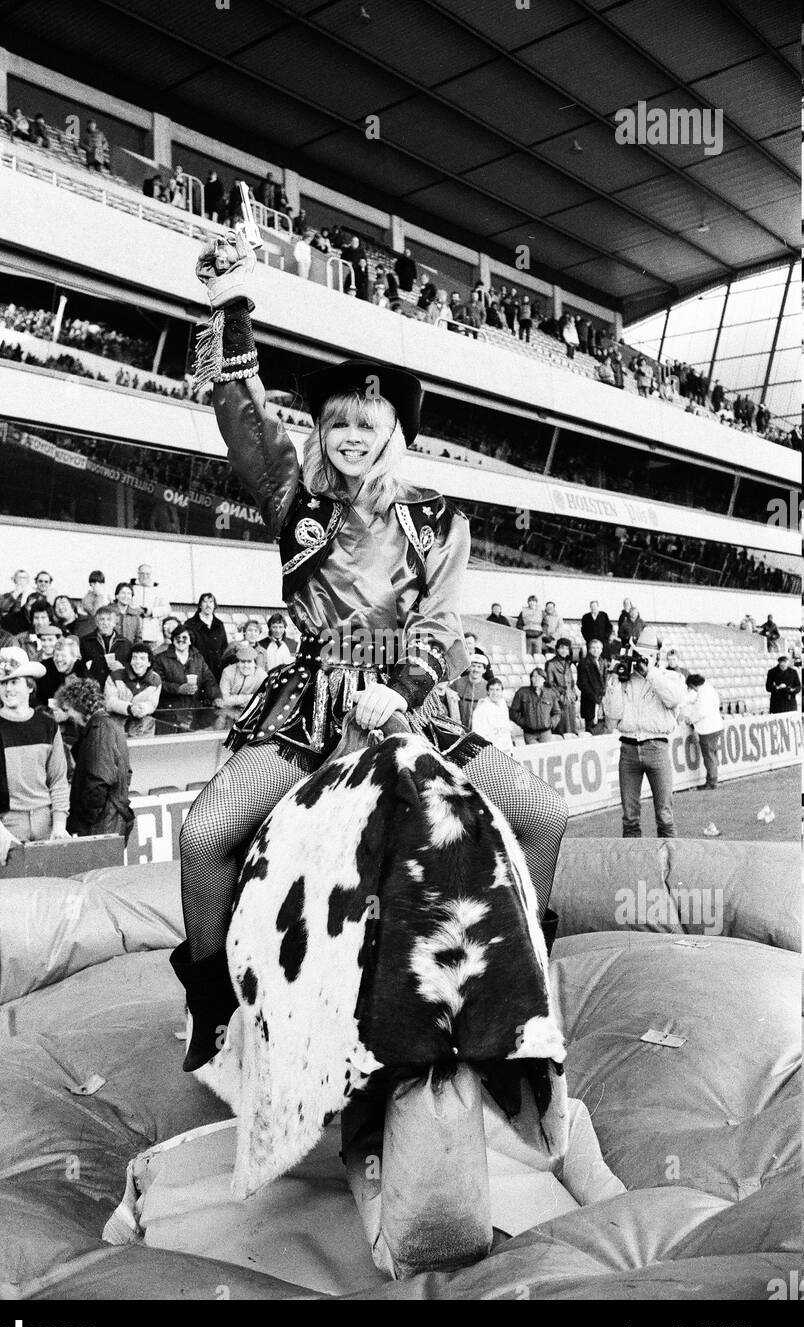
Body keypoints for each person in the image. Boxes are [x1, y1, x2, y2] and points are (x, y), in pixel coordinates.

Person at [173, 229, 568, 1071]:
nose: (350, 436)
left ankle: (525, 980)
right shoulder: (294, 495)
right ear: (321, 429)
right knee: (203, 833)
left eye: (368, 424)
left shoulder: (438, 520)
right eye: (337, 423)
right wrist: (227, 308)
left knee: (545, 814)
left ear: (394, 432)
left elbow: (443, 627)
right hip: (311, 703)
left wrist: (402, 691)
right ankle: (210, 1011)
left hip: (411, 704)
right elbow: (243, 419)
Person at [0, 647, 70, 871]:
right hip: (5, 822)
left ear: (29, 686)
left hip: (45, 820)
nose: (8, 688)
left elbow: (58, 780)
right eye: (3, 683)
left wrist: (59, 824)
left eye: (14, 682)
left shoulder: (48, 725)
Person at [603, 644, 686, 838]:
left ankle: (669, 865)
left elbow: (675, 699)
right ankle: (633, 865)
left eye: (645, 656)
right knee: (630, 818)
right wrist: (614, 681)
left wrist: (651, 673)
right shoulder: (625, 680)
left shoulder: (670, 677)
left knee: (664, 815)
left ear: (656, 656)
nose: (640, 660)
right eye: (637, 655)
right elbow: (613, 717)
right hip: (628, 747)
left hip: (657, 747)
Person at [55, 677, 133, 841]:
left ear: (79, 705)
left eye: (69, 710)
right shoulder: (110, 725)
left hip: (101, 824)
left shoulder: (99, 729)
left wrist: (83, 821)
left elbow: (99, 781)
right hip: (110, 818)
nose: (69, 716)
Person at [153, 627, 223, 710]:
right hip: (170, 709)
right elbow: (156, 683)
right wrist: (178, 689)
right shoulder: (160, 659)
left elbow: (209, 681)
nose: (181, 640)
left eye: (184, 637)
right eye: (177, 637)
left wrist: (216, 697)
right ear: (173, 640)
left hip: (194, 708)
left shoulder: (198, 658)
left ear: (190, 641)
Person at [104, 642, 162, 734]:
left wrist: (144, 708)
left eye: (142, 658)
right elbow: (110, 702)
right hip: (116, 727)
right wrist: (129, 708)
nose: (138, 662)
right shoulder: (115, 676)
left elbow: (152, 703)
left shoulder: (156, 680)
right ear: (130, 661)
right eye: (134, 658)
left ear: (149, 663)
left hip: (143, 728)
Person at [681, 674, 723, 791]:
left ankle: (711, 782)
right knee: (712, 754)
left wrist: (690, 719)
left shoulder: (703, 693)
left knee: (708, 756)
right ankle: (712, 779)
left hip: (708, 729)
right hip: (715, 726)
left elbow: (701, 711)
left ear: (694, 685)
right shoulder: (709, 689)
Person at [81, 605, 132, 684]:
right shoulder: (85, 642)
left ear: (115, 623)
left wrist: (123, 667)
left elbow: (132, 668)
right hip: (93, 688)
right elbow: (80, 667)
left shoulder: (125, 643)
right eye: (102, 619)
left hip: (116, 688)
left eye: (109, 619)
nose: (105, 623)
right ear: (97, 622)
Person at [183, 593, 228, 681]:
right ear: (200, 605)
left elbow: (224, 647)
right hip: (197, 670)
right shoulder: (190, 624)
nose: (208, 605)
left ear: (214, 605)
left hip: (216, 671)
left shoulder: (219, 624)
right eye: (205, 602)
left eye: (211, 602)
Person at [509, 669, 561, 744]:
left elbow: (557, 713)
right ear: (531, 678)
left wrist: (551, 723)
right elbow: (513, 712)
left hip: (546, 733)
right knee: (534, 754)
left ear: (544, 679)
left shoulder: (551, 694)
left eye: (539, 677)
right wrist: (524, 722)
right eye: (534, 676)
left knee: (546, 753)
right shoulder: (522, 693)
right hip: (530, 734)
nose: (536, 679)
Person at [219, 643, 266, 725]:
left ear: (254, 663)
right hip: (228, 713)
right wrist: (250, 697)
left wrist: (235, 700)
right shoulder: (228, 672)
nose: (246, 665)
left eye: (249, 662)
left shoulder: (262, 675)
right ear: (238, 662)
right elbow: (224, 700)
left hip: (251, 714)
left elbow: (263, 699)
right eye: (243, 662)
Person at [35, 636, 87, 706]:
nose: (59, 659)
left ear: (74, 658)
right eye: (56, 655)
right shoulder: (44, 668)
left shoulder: (83, 675)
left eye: (63, 656)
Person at [130, 563, 170, 647]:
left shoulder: (158, 590)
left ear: (151, 575)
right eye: (142, 573)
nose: (145, 576)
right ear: (138, 574)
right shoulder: (131, 588)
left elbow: (167, 609)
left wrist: (151, 612)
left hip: (152, 634)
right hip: (134, 633)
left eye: (147, 574)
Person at [471, 677, 513, 755]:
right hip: (492, 752)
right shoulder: (481, 708)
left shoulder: (503, 705)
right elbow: (478, 733)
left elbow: (506, 731)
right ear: (487, 691)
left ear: (501, 691)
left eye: (497, 690)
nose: (495, 693)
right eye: (492, 689)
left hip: (506, 750)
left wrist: (510, 749)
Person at [545, 638, 579, 734]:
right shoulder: (551, 664)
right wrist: (560, 696)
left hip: (570, 699)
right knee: (561, 728)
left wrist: (574, 694)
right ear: (557, 649)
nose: (564, 651)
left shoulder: (568, 663)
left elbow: (571, 681)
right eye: (562, 648)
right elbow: (549, 684)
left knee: (571, 727)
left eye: (567, 649)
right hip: (559, 700)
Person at [450, 651, 490, 731]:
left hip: (480, 729)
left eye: (479, 667)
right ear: (469, 668)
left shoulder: (488, 687)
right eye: (473, 666)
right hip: (459, 728)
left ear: (484, 670)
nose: (476, 669)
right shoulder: (457, 683)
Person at [576, 639, 608, 735]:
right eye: (593, 648)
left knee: (602, 729)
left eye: (598, 648)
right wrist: (594, 697)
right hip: (590, 701)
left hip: (602, 701)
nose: (595, 650)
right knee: (591, 731)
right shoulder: (583, 663)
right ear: (589, 649)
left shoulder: (603, 662)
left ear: (601, 650)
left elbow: (605, 680)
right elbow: (582, 683)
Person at [112, 582, 142, 646]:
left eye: (129, 593)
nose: (126, 596)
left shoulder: (135, 615)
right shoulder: (109, 612)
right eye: (123, 593)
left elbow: (138, 638)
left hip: (129, 651)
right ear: (116, 596)